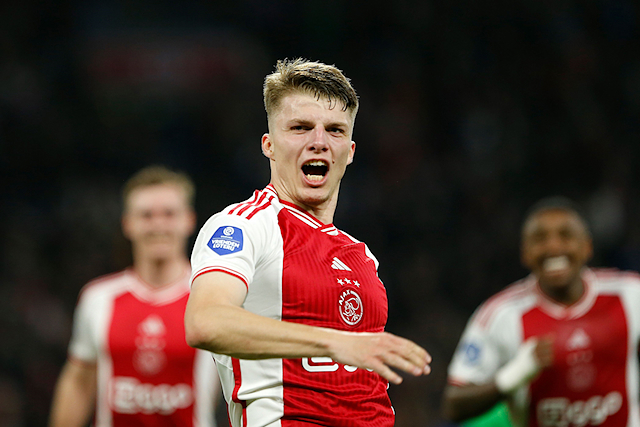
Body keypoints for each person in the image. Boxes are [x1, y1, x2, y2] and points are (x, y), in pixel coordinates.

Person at [184, 58, 432, 427]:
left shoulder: (362, 256)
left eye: (334, 130)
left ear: (350, 151)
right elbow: (205, 321)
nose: (318, 142)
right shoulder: (245, 225)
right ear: (269, 145)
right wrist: (334, 341)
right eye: (300, 128)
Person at [442, 196, 640, 427]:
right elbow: (453, 405)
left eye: (566, 235)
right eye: (540, 238)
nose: (553, 246)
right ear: (525, 253)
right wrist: (512, 377)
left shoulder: (629, 294)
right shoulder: (500, 314)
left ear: (587, 246)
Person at [49, 166, 220, 427]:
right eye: (146, 215)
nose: (158, 224)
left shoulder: (212, 297)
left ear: (189, 220)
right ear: (127, 224)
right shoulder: (98, 298)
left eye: (169, 214)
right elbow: (78, 381)